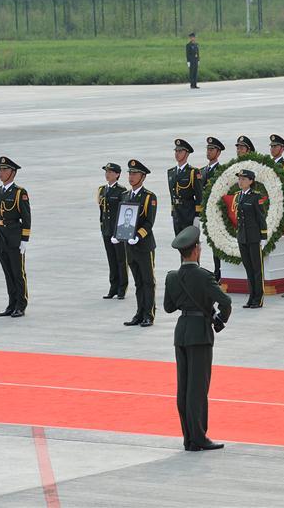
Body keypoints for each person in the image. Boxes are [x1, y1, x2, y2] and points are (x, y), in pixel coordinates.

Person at [163, 225, 232, 452]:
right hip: (200, 334)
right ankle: (200, 437)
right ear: (195, 251)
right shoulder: (203, 276)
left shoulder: (172, 277)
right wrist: (221, 319)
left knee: (183, 388)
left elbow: (168, 307)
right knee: (198, 389)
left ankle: (188, 438)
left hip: (181, 333)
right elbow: (226, 301)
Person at [117, 159, 157, 327]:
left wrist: (138, 236)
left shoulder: (149, 197)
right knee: (138, 282)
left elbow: (149, 222)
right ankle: (139, 313)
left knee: (148, 281)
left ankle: (149, 314)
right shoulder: (125, 195)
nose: (131, 177)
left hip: (144, 245)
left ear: (143, 176)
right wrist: (118, 234)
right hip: (129, 246)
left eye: (135, 174)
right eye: (130, 173)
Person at [0, 156, 31, 318]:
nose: (1, 173)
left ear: (13, 172)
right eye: (0, 170)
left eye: (4, 170)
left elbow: (27, 217)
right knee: (7, 272)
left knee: (18, 272)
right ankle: (11, 303)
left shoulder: (19, 193)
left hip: (14, 236)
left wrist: (24, 239)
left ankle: (20, 305)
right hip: (1, 237)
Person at [233, 169, 267, 308]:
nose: (240, 181)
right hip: (243, 237)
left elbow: (261, 218)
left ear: (251, 181)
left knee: (257, 269)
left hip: (254, 237)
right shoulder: (238, 196)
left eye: (243, 179)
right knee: (248, 268)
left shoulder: (255, 197)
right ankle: (251, 296)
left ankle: (258, 298)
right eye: (239, 179)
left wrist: (263, 236)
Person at [98, 162, 128, 300]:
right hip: (107, 229)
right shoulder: (102, 190)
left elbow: (124, 212)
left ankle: (122, 288)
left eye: (110, 172)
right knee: (111, 259)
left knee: (121, 259)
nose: (107, 174)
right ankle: (113, 287)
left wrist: (121, 232)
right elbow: (102, 211)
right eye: (106, 172)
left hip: (118, 230)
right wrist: (103, 227)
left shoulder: (122, 191)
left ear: (117, 174)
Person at [199, 137, 225, 281]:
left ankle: (219, 272)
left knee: (217, 244)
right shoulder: (202, 171)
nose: (208, 152)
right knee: (211, 242)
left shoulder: (222, 170)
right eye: (208, 149)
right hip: (206, 213)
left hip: (217, 213)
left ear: (218, 152)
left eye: (212, 149)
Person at [168, 139, 203, 236]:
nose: (177, 154)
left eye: (180, 151)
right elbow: (172, 194)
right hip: (177, 213)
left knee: (190, 246)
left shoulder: (193, 172)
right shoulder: (171, 172)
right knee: (179, 244)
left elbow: (199, 195)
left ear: (187, 153)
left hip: (189, 213)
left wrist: (197, 216)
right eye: (176, 151)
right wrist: (173, 212)